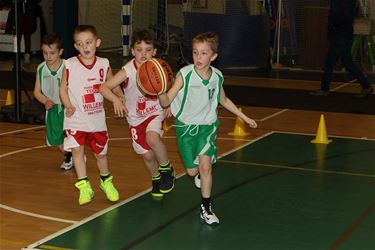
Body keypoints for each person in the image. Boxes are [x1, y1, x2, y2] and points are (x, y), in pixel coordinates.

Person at [158, 32, 257, 225]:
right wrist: (159, 92)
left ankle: (206, 207)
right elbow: (167, 100)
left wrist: (244, 117)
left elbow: (223, 99)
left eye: (204, 53)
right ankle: (199, 174)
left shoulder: (217, 76)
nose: (198, 57)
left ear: (213, 56)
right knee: (191, 172)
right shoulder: (185, 74)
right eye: (195, 53)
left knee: (205, 167)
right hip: (185, 128)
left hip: (207, 127)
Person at [100, 30, 175, 198]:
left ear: (154, 52)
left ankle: (166, 169)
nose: (143, 54)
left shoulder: (159, 68)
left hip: (154, 112)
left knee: (152, 138)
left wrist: (169, 103)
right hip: (135, 118)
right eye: (139, 50)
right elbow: (103, 87)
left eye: (148, 50)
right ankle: (156, 177)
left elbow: (170, 87)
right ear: (132, 51)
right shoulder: (127, 70)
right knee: (147, 155)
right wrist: (116, 100)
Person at [59, 25, 119, 205]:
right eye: (80, 44)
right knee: (77, 150)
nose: (85, 47)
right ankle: (84, 186)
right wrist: (68, 105)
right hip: (75, 118)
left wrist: (120, 96)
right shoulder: (69, 64)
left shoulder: (104, 63)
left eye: (89, 42)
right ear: (76, 46)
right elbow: (63, 89)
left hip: (96, 119)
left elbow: (112, 84)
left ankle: (105, 181)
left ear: (97, 43)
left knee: (101, 155)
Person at [309, 0, 373, 98]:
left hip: (340, 34)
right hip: (342, 33)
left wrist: (334, 26)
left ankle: (324, 89)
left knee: (329, 63)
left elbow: (342, 15)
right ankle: (366, 86)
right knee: (348, 63)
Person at [33, 33, 73, 170]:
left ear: (60, 52)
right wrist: (45, 100)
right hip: (52, 108)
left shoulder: (68, 67)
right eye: (45, 53)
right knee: (56, 140)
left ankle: (75, 157)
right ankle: (70, 156)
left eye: (52, 53)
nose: (48, 56)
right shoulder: (41, 68)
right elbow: (36, 91)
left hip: (68, 107)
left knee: (73, 136)